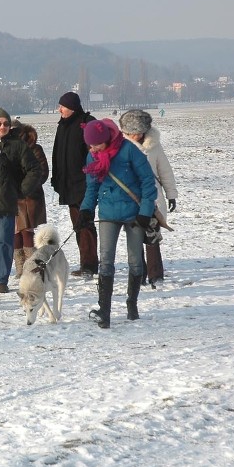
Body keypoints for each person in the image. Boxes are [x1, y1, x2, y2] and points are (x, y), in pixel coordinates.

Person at [79, 119, 157, 329]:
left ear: (106, 139)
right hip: (108, 213)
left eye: (96, 144)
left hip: (134, 214)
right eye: (90, 145)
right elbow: (92, 187)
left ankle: (132, 304)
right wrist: (86, 210)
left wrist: (145, 212)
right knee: (105, 261)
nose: (92, 149)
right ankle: (104, 311)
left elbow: (148, 182)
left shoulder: (129, 151)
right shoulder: (92, 155)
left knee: (135, 261)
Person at [0, 109, 42, 292]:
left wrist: (21, 190)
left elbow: (35, 169)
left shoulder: (18, 145)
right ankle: (1, 268)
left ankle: (1, 280)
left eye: (6, 124)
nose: (2, 127)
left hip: (8, 200)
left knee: (5, 241)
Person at [119, 109, 178, 286]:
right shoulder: (121, 146)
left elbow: (165, 171)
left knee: (153, 237)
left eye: (137, 132)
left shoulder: (155, 146)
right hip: (131, 199)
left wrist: (171, 194)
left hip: (153, 199)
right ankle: (139, 273)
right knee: (135, 238)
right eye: (130, 132)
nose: (134, 136)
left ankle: (156, 275)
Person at [50, 91, 99, 278]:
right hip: (68, 184)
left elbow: (95, 154)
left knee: (84, 224)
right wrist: (57, 179)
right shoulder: (63, 124)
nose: (59, 109)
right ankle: (87, 261)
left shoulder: (86, 123)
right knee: (78, 225)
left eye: (62, 106)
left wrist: (91, 178)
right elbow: (57, 153)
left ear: (71, 107)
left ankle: (89, 265)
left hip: (84, 184)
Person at [12, 120, 49, 279]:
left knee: (27, 231)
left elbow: (42, 172)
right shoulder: (8, 148)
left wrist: (26, 186)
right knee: (14, 233)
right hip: (12, 197)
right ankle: (20, 267)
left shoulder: (35, 148)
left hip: (30, 197)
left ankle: (31, 265)